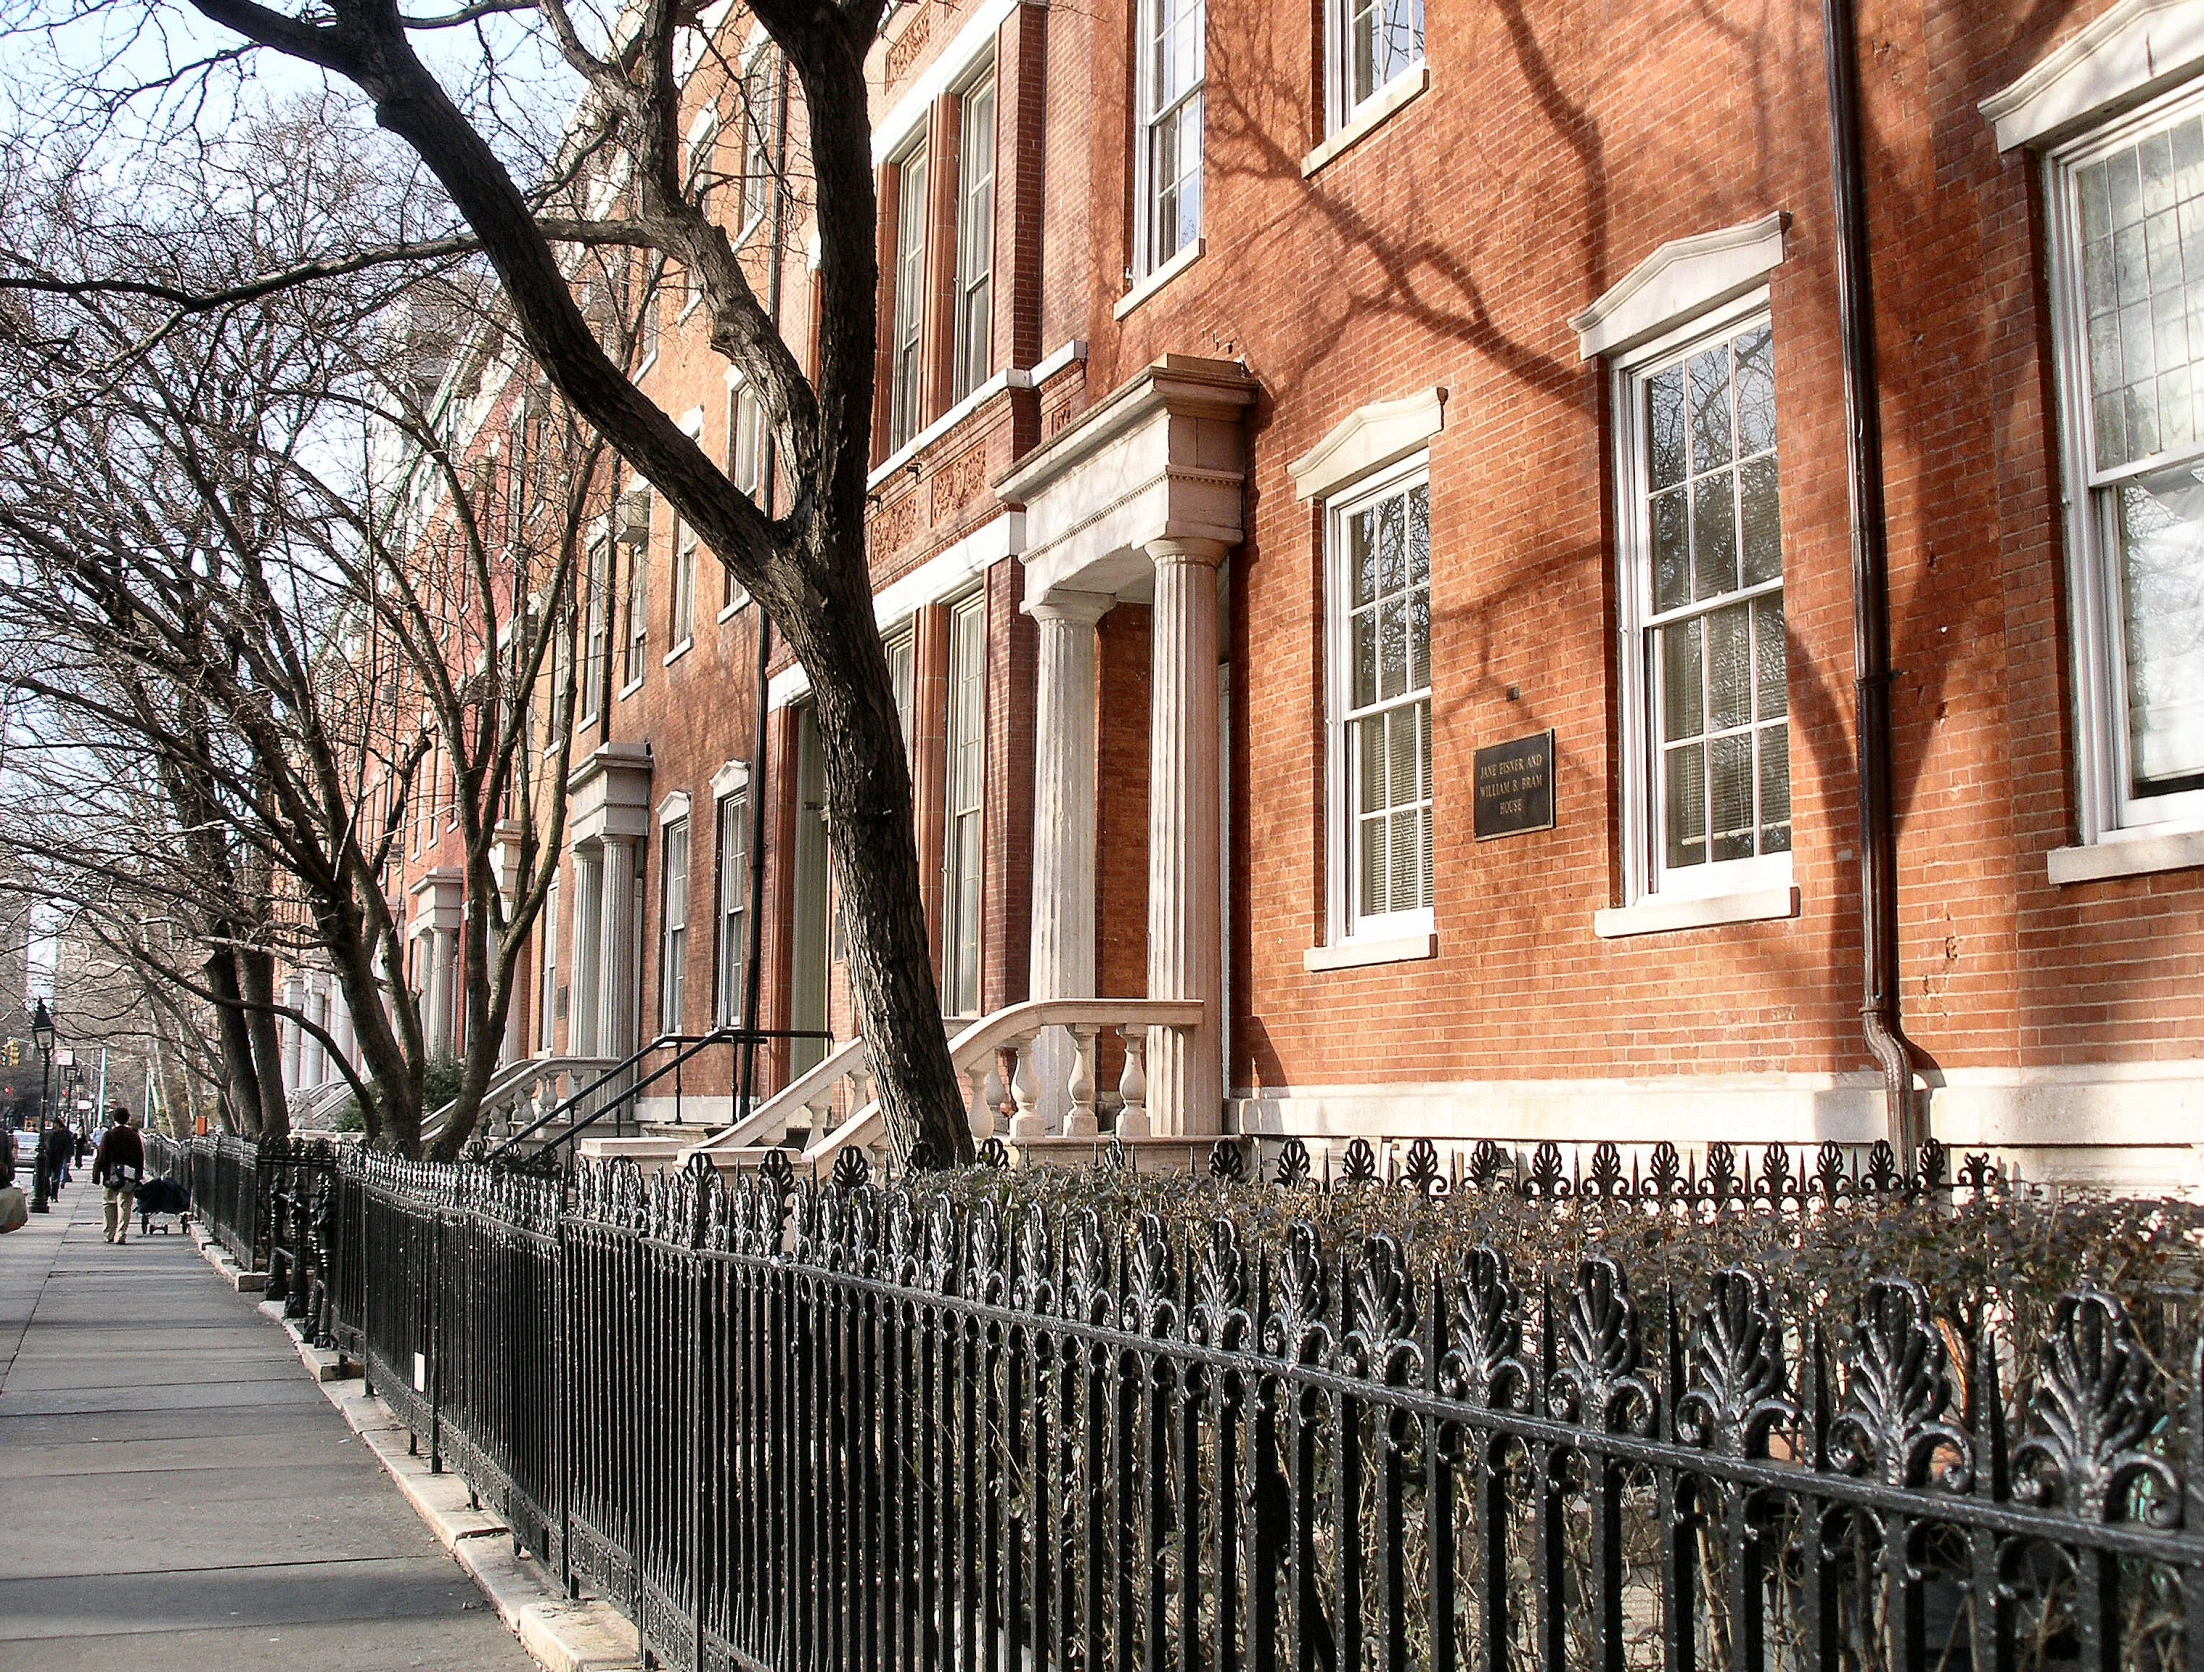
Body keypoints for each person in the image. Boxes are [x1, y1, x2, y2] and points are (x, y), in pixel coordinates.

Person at [93, 1106, 143, 1245]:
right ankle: (121, 1233)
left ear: (114, 1119)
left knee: (109, 1203)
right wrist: (138, 1175)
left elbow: (102, 1156)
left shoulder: (109, 1135)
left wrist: (96, 1174)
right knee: (125, 1205)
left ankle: (109, 1233)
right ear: (127, 1119)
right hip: (129, 1175)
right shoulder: (133, 1135)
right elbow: (140, 1157)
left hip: (112, 1174)